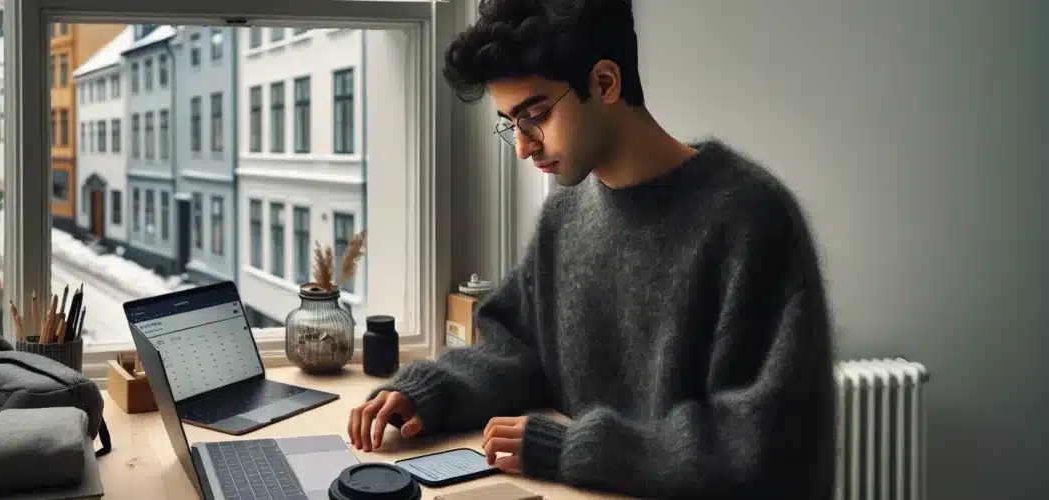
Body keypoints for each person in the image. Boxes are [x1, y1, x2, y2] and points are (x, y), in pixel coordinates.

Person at [345, 0, 836, 498]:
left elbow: (762, 445)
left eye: (533, 116)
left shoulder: (753, 220)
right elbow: (516, 348)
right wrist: (430, 392)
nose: (522, 146)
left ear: (604, 83)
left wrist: (573, 449)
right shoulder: (565, 216)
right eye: (509, 124)